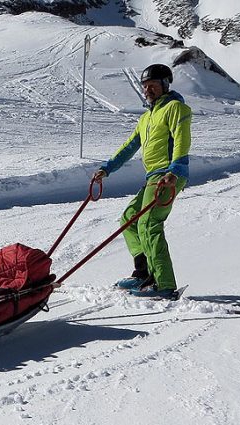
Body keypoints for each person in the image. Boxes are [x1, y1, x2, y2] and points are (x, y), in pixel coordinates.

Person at [92, 63, 192, 299]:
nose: (147, 90)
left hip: (168, 174)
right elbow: (129, 147)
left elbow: (182, 139)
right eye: (145, 86)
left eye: (152, 85)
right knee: (129, 218)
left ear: (165, 84)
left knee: (149, 223)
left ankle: (164, 284)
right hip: (153, 176)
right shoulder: (146, 118)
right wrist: (107, 168)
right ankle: (143, 272)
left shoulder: (175, 108)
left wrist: (175, 170)